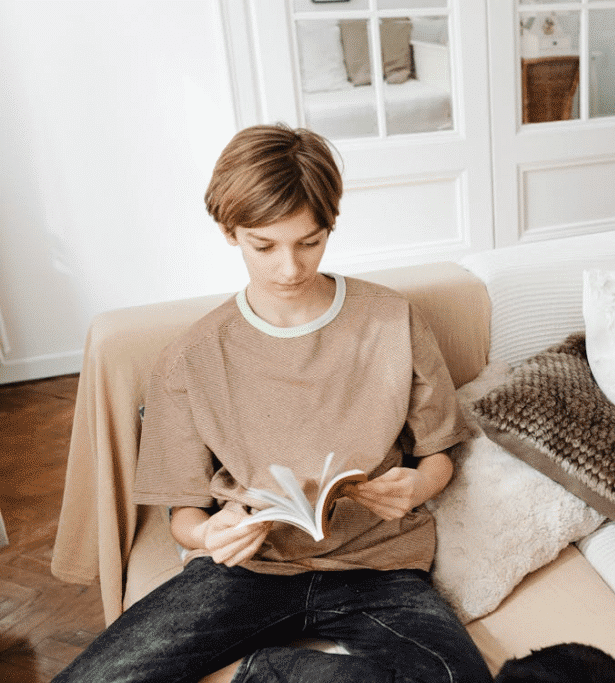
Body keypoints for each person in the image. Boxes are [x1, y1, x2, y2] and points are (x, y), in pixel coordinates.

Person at [54, 124, 493, 682]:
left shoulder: (392, 320)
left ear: (330, 225)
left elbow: (439, 454)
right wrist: (209, 535)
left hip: (380, 568)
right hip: (248, 572)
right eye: (264, 246)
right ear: (229, 231)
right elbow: (184, 516)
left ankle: (271, 673)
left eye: (310, 242)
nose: (290, 268)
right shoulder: (190, 357)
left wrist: (420, 486)